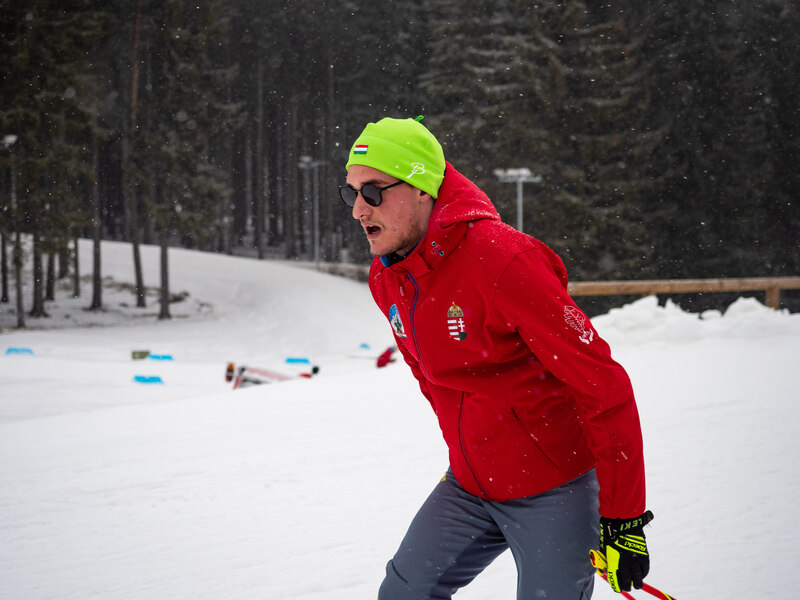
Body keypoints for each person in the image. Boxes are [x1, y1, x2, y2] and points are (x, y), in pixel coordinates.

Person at [340, 116, 653, 599]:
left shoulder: (504, 260)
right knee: (402, 593)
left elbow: (603, 384)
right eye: (350, 193)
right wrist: (472, 453)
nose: (359, 209)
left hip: (554, 488)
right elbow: (431, 380)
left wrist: (623, 517)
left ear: (422, 188)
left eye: (373, 192)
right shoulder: (389, 277)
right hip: (470, 486)